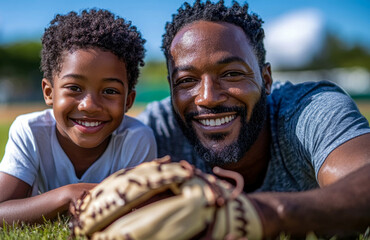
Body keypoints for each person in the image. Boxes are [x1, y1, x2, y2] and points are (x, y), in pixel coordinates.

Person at [138, 0, 370, 238]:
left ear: (266, 79)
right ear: (171, 88)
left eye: (232, 74)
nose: (208, 98)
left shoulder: (309, 109)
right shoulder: (156, 129)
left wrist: (268, 214)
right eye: (186, 80)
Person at [0, 9, 157, 224]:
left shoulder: (136, 139)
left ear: (128, 101)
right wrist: (68, 195)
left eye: (110, 91)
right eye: (74, 87)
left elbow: (139, 212)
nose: (90, 106)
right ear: (49, 93)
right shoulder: (29, 131)